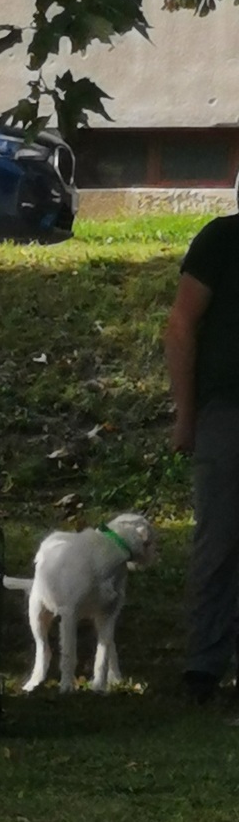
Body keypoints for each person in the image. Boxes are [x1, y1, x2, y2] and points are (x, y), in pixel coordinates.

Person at [165, 203, 239, 702]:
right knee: (219, 539)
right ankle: (203, 667)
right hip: (227, 408)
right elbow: (181, 326)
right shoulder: (221, 240)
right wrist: (186, 415)